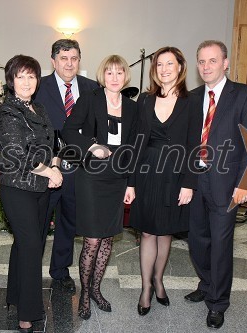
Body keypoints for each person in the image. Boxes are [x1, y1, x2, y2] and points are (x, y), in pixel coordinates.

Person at [185, 40, 247, 329]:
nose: (206, 67)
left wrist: (246, 183)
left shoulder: (245, 95)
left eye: (213, 61)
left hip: (228, 184)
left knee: (220, 244)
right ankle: (206, 284)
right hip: (195, 182)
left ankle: (218, 302)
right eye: (202, 61)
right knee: (197, 241)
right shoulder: (192, 97)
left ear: (225, 62)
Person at [61, 54, 138, 319]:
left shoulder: (132, 107)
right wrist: (91, 146)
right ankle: (84, 294)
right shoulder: (90, 99)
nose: (114, 78)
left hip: (117, 178)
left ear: (125, 76)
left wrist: (131, 183)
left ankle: (96, 289)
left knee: (107, 239)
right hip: (91, 177)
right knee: (93, 239)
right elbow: (68, 130)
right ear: (101, 76)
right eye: (109, 73)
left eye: (119, 73)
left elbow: (135, 148)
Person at [129, 47, 202, 316]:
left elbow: (195, 144)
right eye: (160, 64)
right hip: (147, 172)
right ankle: (146, 287)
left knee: (165, 232)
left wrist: (189, 183)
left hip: (175, 175)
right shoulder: (145, 100)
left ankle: (159, 279)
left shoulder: (192, 101)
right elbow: (137, 143)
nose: (164, 68)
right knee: (147, 232)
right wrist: (130, 182)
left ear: (181, 67)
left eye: (170, 63)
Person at [0, 54, 63, 333]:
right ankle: (28, 313)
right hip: (18, 189)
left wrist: (55, 163)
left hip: (41, 189)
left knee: (25, 245)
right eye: (20, 76)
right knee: (32, 246)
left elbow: (52, 142)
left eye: (31, 76)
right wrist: (50, 172)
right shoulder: (7, 111)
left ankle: (14, 296)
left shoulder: (40, 108)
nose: (26, 81)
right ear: (11, 80)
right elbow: (15, 154)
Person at [34, 39, 99, 293]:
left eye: (73, 58)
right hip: (46, 168)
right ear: (53, 61)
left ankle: (60, 271)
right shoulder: (38, 87)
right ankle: (29, 271)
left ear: (79, 60)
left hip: (78, 168)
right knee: (38, 222)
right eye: (63, 58)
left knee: (68, 223)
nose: (69, 63)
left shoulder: (92, 88)